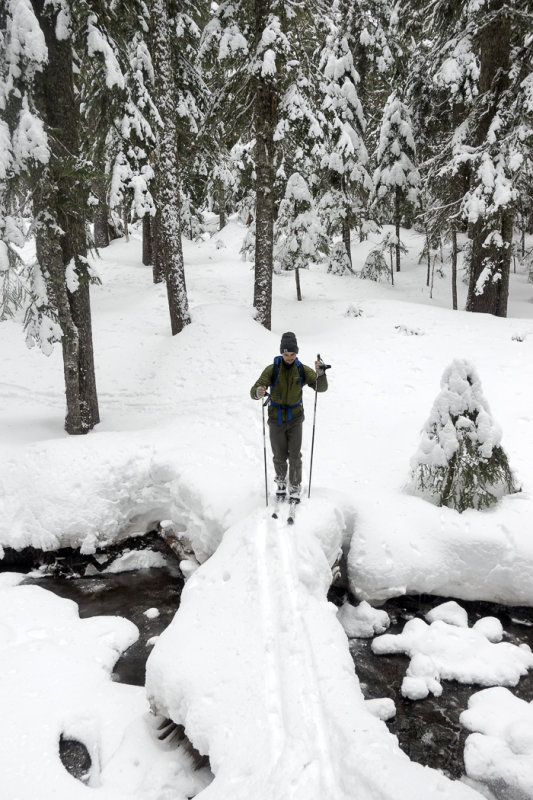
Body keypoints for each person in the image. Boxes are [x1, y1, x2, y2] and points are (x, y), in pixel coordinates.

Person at [250, 332, 328, 503]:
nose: (289, 357)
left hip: (295, 419)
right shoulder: (272, 369)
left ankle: (294, 484)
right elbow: (255, 390)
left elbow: (320, 388)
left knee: (294, 455)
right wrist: (259, 391)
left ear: (296, 353)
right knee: (279, 455)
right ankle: (280, 482)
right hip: (276, 418)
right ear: (281, 353)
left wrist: (320, 374)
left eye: (292, 354)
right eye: (286, 354)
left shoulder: (301, 369)